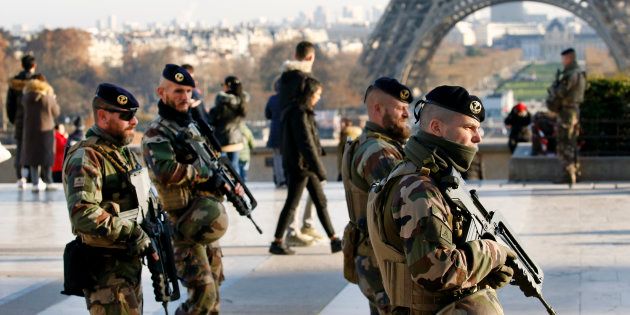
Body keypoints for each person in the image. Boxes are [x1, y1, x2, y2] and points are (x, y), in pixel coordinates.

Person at [368, 86, 516, 314]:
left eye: (478, 128)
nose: (478, 137)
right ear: (436, 127)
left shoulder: (427, 175)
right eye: (469, 127)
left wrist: (484, 274)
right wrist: (493, 251)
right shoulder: (420, 187)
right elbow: (437, 271)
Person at [143, 64, 242, 315]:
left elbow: (212, 160)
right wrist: (205, 175)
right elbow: (165, 170)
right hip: (181, 227)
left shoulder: (191, 127)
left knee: (214, 294)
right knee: (203, 295)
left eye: (188, 91)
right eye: (178, 91)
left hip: (203, 222)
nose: (185, 97)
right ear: (161, 92)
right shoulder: (157, 132)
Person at [63, 83, 155, 314]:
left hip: (127, 265)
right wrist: (132, 232)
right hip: (106, 271)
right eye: (126, 116)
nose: (134, 121)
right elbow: (82, 214)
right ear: (103, 117)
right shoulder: (86, 157)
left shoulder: (123, 153)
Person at [341, 77, 412, 314]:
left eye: (407, 108)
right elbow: (403, 203)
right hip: (381, 262)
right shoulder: (378, 151)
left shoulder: (377, 144)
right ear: (377, 109)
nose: (406, 114)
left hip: (374, 257)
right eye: (400, 108)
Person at [269, 74, 342, 255]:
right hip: (302, 167)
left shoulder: (297, 111)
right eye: (317, 94)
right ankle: (277, 241)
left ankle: (334, 239)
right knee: (294, 203)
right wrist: (320, 170)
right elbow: (307, 144)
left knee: (319, 201)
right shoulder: (300, 114)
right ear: (310, 94)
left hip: (303, 166)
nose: (318, 98)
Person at [279, 41, 322, 246]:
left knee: (296, 193)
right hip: (303, 142)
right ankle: (297, 229)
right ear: (311, 57)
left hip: (287, 140)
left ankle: (295, 229)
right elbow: (305, 118)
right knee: (301, 193)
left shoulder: (284, 80)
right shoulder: (304, 80)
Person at [546, 48, 586, 185]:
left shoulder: (570, 75)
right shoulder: (579, 73)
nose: (562, 61)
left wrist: (553, 90)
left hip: (567, 113)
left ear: (569, 58)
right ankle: (575, 172)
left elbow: (561, 92)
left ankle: (568, 174)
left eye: (564, 58)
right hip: (573, 111)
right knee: (572, 142)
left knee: (565, 142)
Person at [20, 74, 60, 192]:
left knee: (33, 158)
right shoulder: (48, 98)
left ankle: (35, 183)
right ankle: (48, 181)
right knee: (46, 156)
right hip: (45, 130)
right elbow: (56, 112)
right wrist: (53, 98)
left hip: (30, 130)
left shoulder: (26, 98)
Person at [6, 54, 36, 188]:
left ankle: (20, 178)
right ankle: (35, 178)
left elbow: (9, 105)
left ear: (22, 65)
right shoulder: (38, 82)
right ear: (33, 66)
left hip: (20, 120)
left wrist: (14, 119)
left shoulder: (15, 83)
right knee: (35, 150)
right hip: (35, 121)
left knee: (19, 150)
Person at [209, 75, 248, 172]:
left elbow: (212, 119)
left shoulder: (222, 101)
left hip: (222, 139)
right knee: (235, 167)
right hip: (236, 139)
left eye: (224, 85)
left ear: (228, 86)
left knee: (221, 168)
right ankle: (239, 186)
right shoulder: (242, 102)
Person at [265, 81, 286, 187]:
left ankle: (279, 179)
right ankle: (285, 178)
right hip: (285, 130)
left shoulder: (272, 99)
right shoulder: (288, 98)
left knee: (277, 157)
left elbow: (267, 114)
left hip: (275, 130)